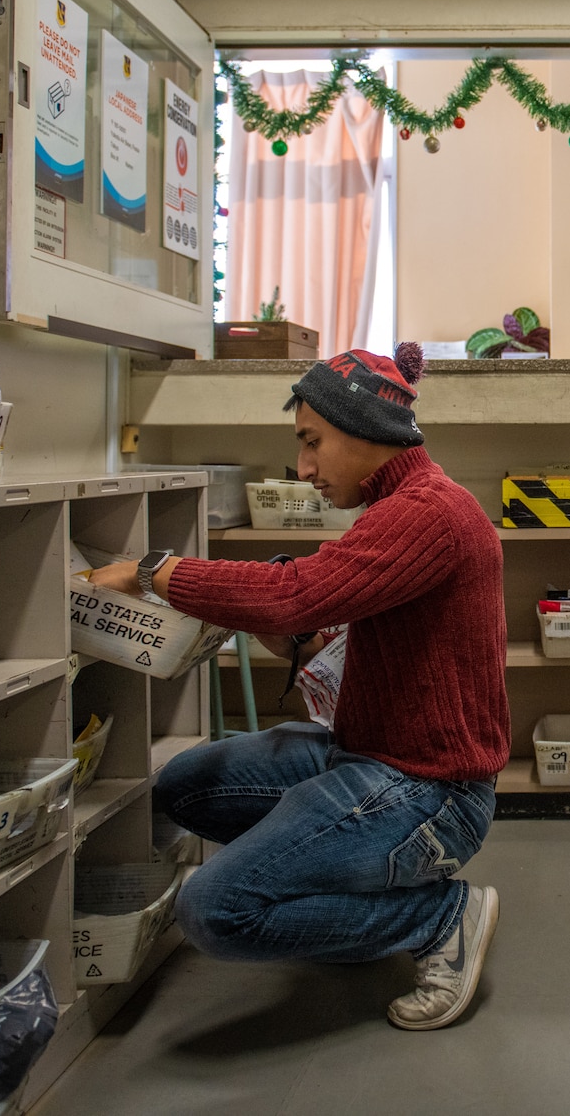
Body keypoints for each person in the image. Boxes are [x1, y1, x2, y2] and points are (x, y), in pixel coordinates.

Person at [86, 343, 508, 1032]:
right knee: (185, 786)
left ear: (364, 428)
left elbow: (294, 596)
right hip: (368, 753)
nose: (304, 467)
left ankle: (438, 919)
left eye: (312, 442)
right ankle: (357, 898)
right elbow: (328, 612)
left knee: (213, 911)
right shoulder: (395, 505)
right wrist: (308, 638)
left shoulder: (428, 512)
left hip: (432, 790)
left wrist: (153, 571)